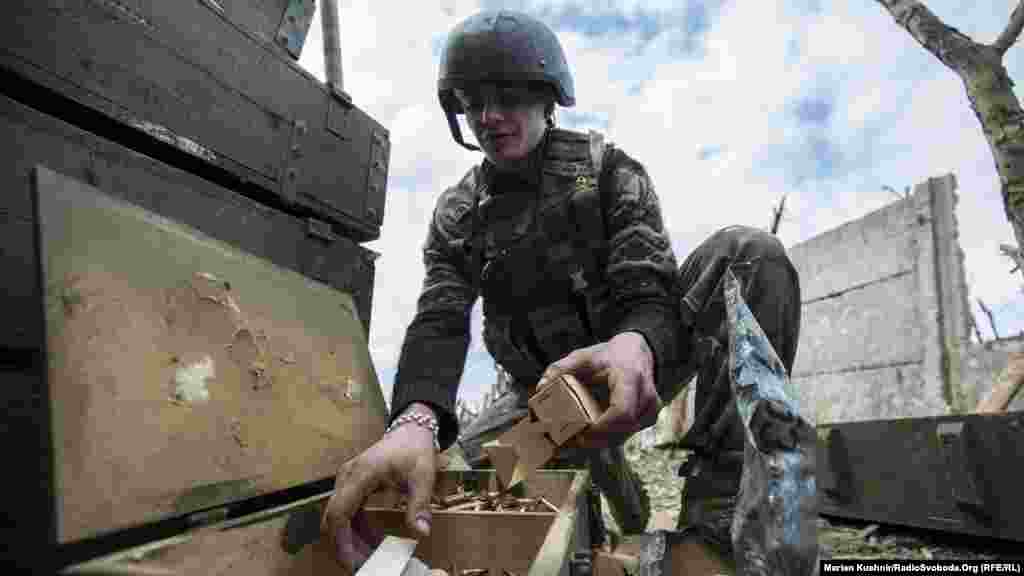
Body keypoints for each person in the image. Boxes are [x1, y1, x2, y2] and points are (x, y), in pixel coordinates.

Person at [321, 9, 803, 573]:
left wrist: (635, 343)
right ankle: (608, 486)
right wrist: (414, 423)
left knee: (749, 255)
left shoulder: (606, 172)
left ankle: (718, 527)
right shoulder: (459, 212)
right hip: (541, 404)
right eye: (473, 102)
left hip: (636, 364)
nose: (489, 117)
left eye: (508, 97)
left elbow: (646, 288)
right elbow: (440, 320)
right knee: (450, 487)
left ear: (548, 98)